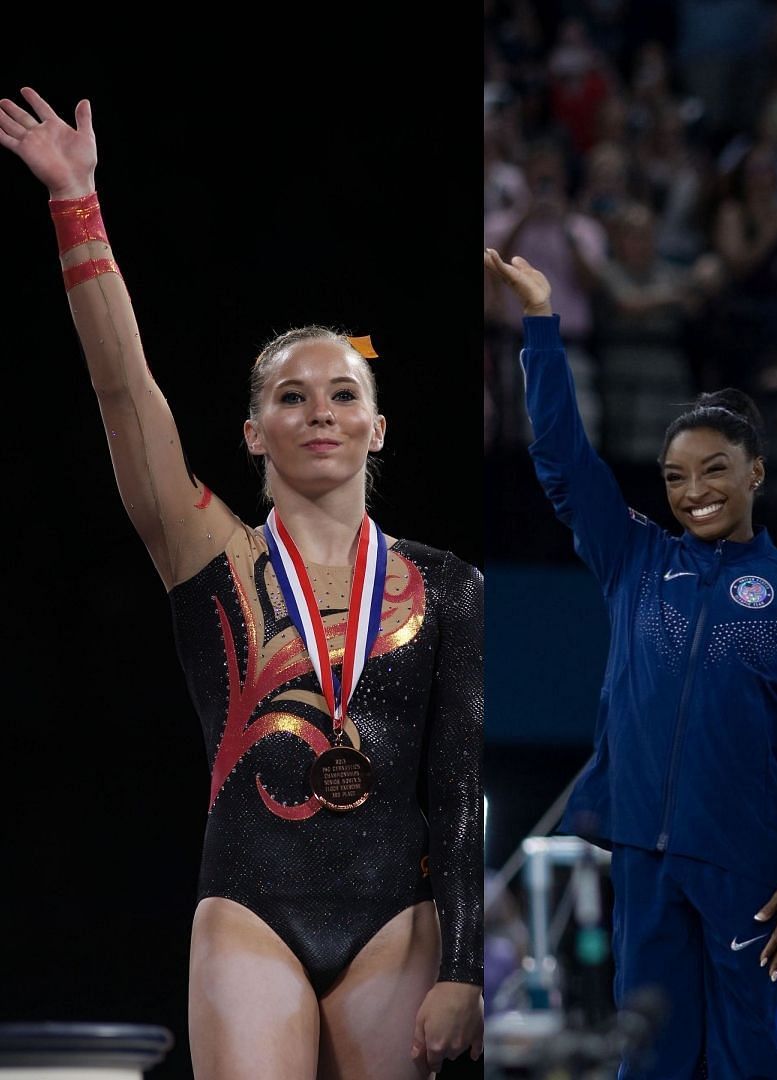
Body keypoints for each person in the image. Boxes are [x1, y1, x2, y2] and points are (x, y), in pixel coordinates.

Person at [0, 90, 482, 1077]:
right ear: (254, 432)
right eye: (290, 397)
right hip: (250, 905)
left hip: (400, 918)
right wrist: (76, 204)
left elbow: (459, 788)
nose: (320, 413)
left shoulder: (449, 585)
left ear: (377, 428)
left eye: (344, 394)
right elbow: (123, 389)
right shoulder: (209, 555)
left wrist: (467, 967)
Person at [485, 249, 777, 1080]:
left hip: (750, 872)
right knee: (647, 1059)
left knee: (747, 1061)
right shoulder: (637, 561)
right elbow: (562, 463)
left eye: (715, 470)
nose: (694, 491)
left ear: (755, 472)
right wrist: (542, 327)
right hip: (646, 860)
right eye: (676, 477)